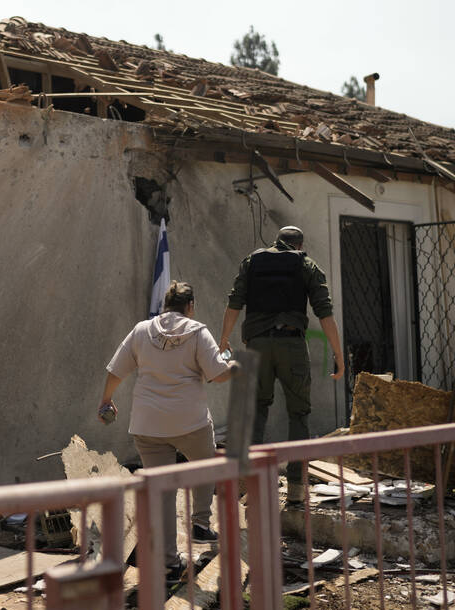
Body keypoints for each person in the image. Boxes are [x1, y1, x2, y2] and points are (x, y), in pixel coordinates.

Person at [98, 280, 235, 577]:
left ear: (164, 307)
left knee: (161, 491)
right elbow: (219, 375)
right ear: (191, 307)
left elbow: (115, 370)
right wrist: (229, 360)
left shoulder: (141, 330)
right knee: (204, 465)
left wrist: (106, 400)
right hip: (190, 422)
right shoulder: (198, 332)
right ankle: (200, 522)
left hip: (147, 425)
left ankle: (170, 562)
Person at [217, 225, 344, 504]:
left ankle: (251, 484)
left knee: (257, 411)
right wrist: (339, 355)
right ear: (299, 245)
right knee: (299, 414)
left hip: (257, 346)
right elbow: (325, 312)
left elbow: (234, 303)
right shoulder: (306, 264)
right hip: (292, 345)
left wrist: (224, 339)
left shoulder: (252, 262)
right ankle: (297, 488)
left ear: (277, 242)